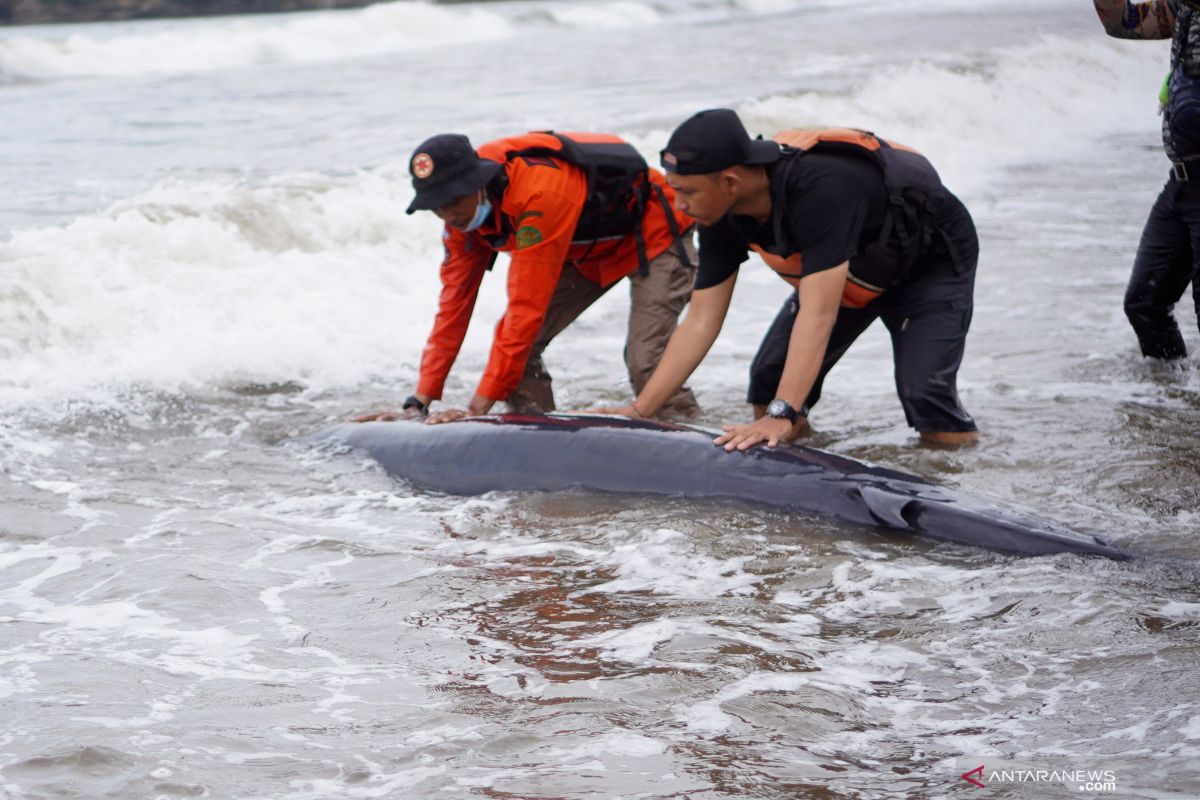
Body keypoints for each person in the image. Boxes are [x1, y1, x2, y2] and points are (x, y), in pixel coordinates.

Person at [594, 109, 980, 449]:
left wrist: (783, 412)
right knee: (769, 379)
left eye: (687, 192)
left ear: (730, 181)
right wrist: (641, 409)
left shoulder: (820, 188)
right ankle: (798, 467)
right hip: (855, 269)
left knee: (925, 395)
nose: (680, 206)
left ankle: (957, 480)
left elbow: (818, 314)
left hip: (930, 266)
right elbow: (701, 319)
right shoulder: (719, 214)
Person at [354, 131, 699, 423]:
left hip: (655, 233)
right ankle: (534, 430)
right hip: (582, 247)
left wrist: (475, 409)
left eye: (453, 200)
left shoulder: (539, 195)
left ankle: (691, 436)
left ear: (477, 183)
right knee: (519, 355)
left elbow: (525, 309)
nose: (447, 214)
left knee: (645, 362)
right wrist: (420, 401)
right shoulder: (460, 221)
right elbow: (452, 308)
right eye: (435, 205)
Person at [1094, 0, 1200, 359]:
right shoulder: (1184, 10)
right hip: (1183, 181)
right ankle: (1175, 403)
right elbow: (1125, 22)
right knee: (1145, 305)